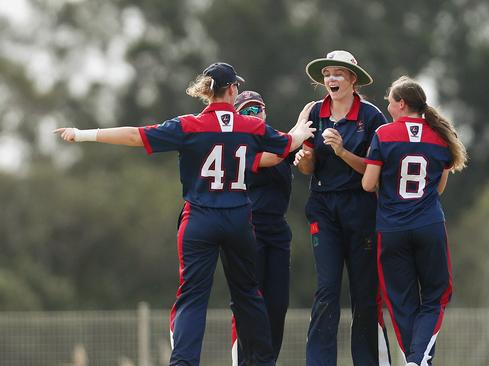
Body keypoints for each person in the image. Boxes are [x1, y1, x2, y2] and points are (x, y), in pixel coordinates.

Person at [54, 62, 316, 366]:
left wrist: (82, 134)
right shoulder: (251, 126)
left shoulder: (189, 125)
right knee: (248, 294)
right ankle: (262, 361)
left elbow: (135, 136)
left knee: (192, 297)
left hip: (200, 219)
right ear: (232, 90)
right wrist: (300, 128)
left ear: (207, 92)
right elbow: (287, 144)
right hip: (238, 219)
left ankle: (184, 363)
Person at [361, 76, 468, 366]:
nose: (388, 106)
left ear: (402, 104)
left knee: (402, 303)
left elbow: (368, 184)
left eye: (390, 101)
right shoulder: (440, 136)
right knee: (436, 297)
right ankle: (418, 360)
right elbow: (440, 188)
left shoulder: (383, 134)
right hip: (428, 225)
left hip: (392, 229)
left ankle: (415, 359)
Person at [294, 50, 391, 366]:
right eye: (327, 74)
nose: (331, 79)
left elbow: (377, 175)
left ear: (353, 79)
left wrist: (342, 151)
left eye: (338, 73)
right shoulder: (313, 112)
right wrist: (305, 160)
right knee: (326, 291)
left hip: (361, 208)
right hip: (323, 208)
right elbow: (308, 167)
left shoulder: (373, 117)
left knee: (365, 295)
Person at [230, 90, 302, 365]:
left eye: (257, 109)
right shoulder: (237, 146)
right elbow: (273, 156)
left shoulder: (278, 141)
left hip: (278, 231)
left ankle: (267, 361)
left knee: (278, 305)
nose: (253, 115)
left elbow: (297, 153)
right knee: (249, 303)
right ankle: (244, 361)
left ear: (265, 113)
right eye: (246, 111)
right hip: (248, 229)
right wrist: (297, 135)